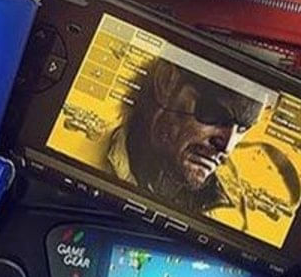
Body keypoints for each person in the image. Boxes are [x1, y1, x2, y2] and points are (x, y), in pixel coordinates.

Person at [105, 57, 266, 216]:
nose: (227, 147)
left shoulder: (228, 217)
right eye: (214, 112)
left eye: (242, 129)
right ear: (166, 82)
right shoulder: (93, 156)